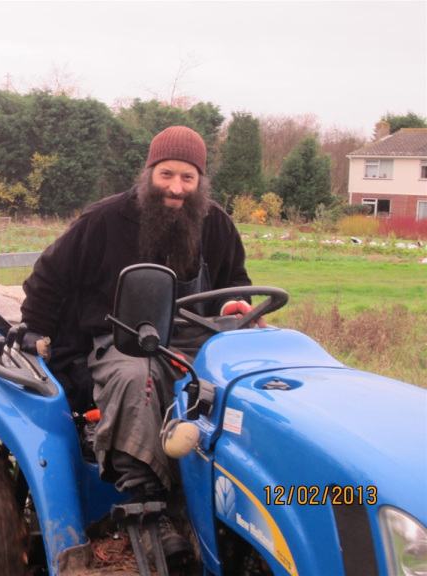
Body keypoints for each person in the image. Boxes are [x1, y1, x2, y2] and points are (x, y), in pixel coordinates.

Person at [19, 125, 263, 563]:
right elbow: (48, 278)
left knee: (249, 382)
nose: (176, 187)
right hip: (121, 341)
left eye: (188, 178)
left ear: (200, 181)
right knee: (139, 378)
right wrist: (35, 328)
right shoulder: (104, 221)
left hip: (194, 339)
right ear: (149, 172)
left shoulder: (216, 223)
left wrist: (233, 305)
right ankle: (150, 504)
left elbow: (236, 283)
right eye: (167, 174)